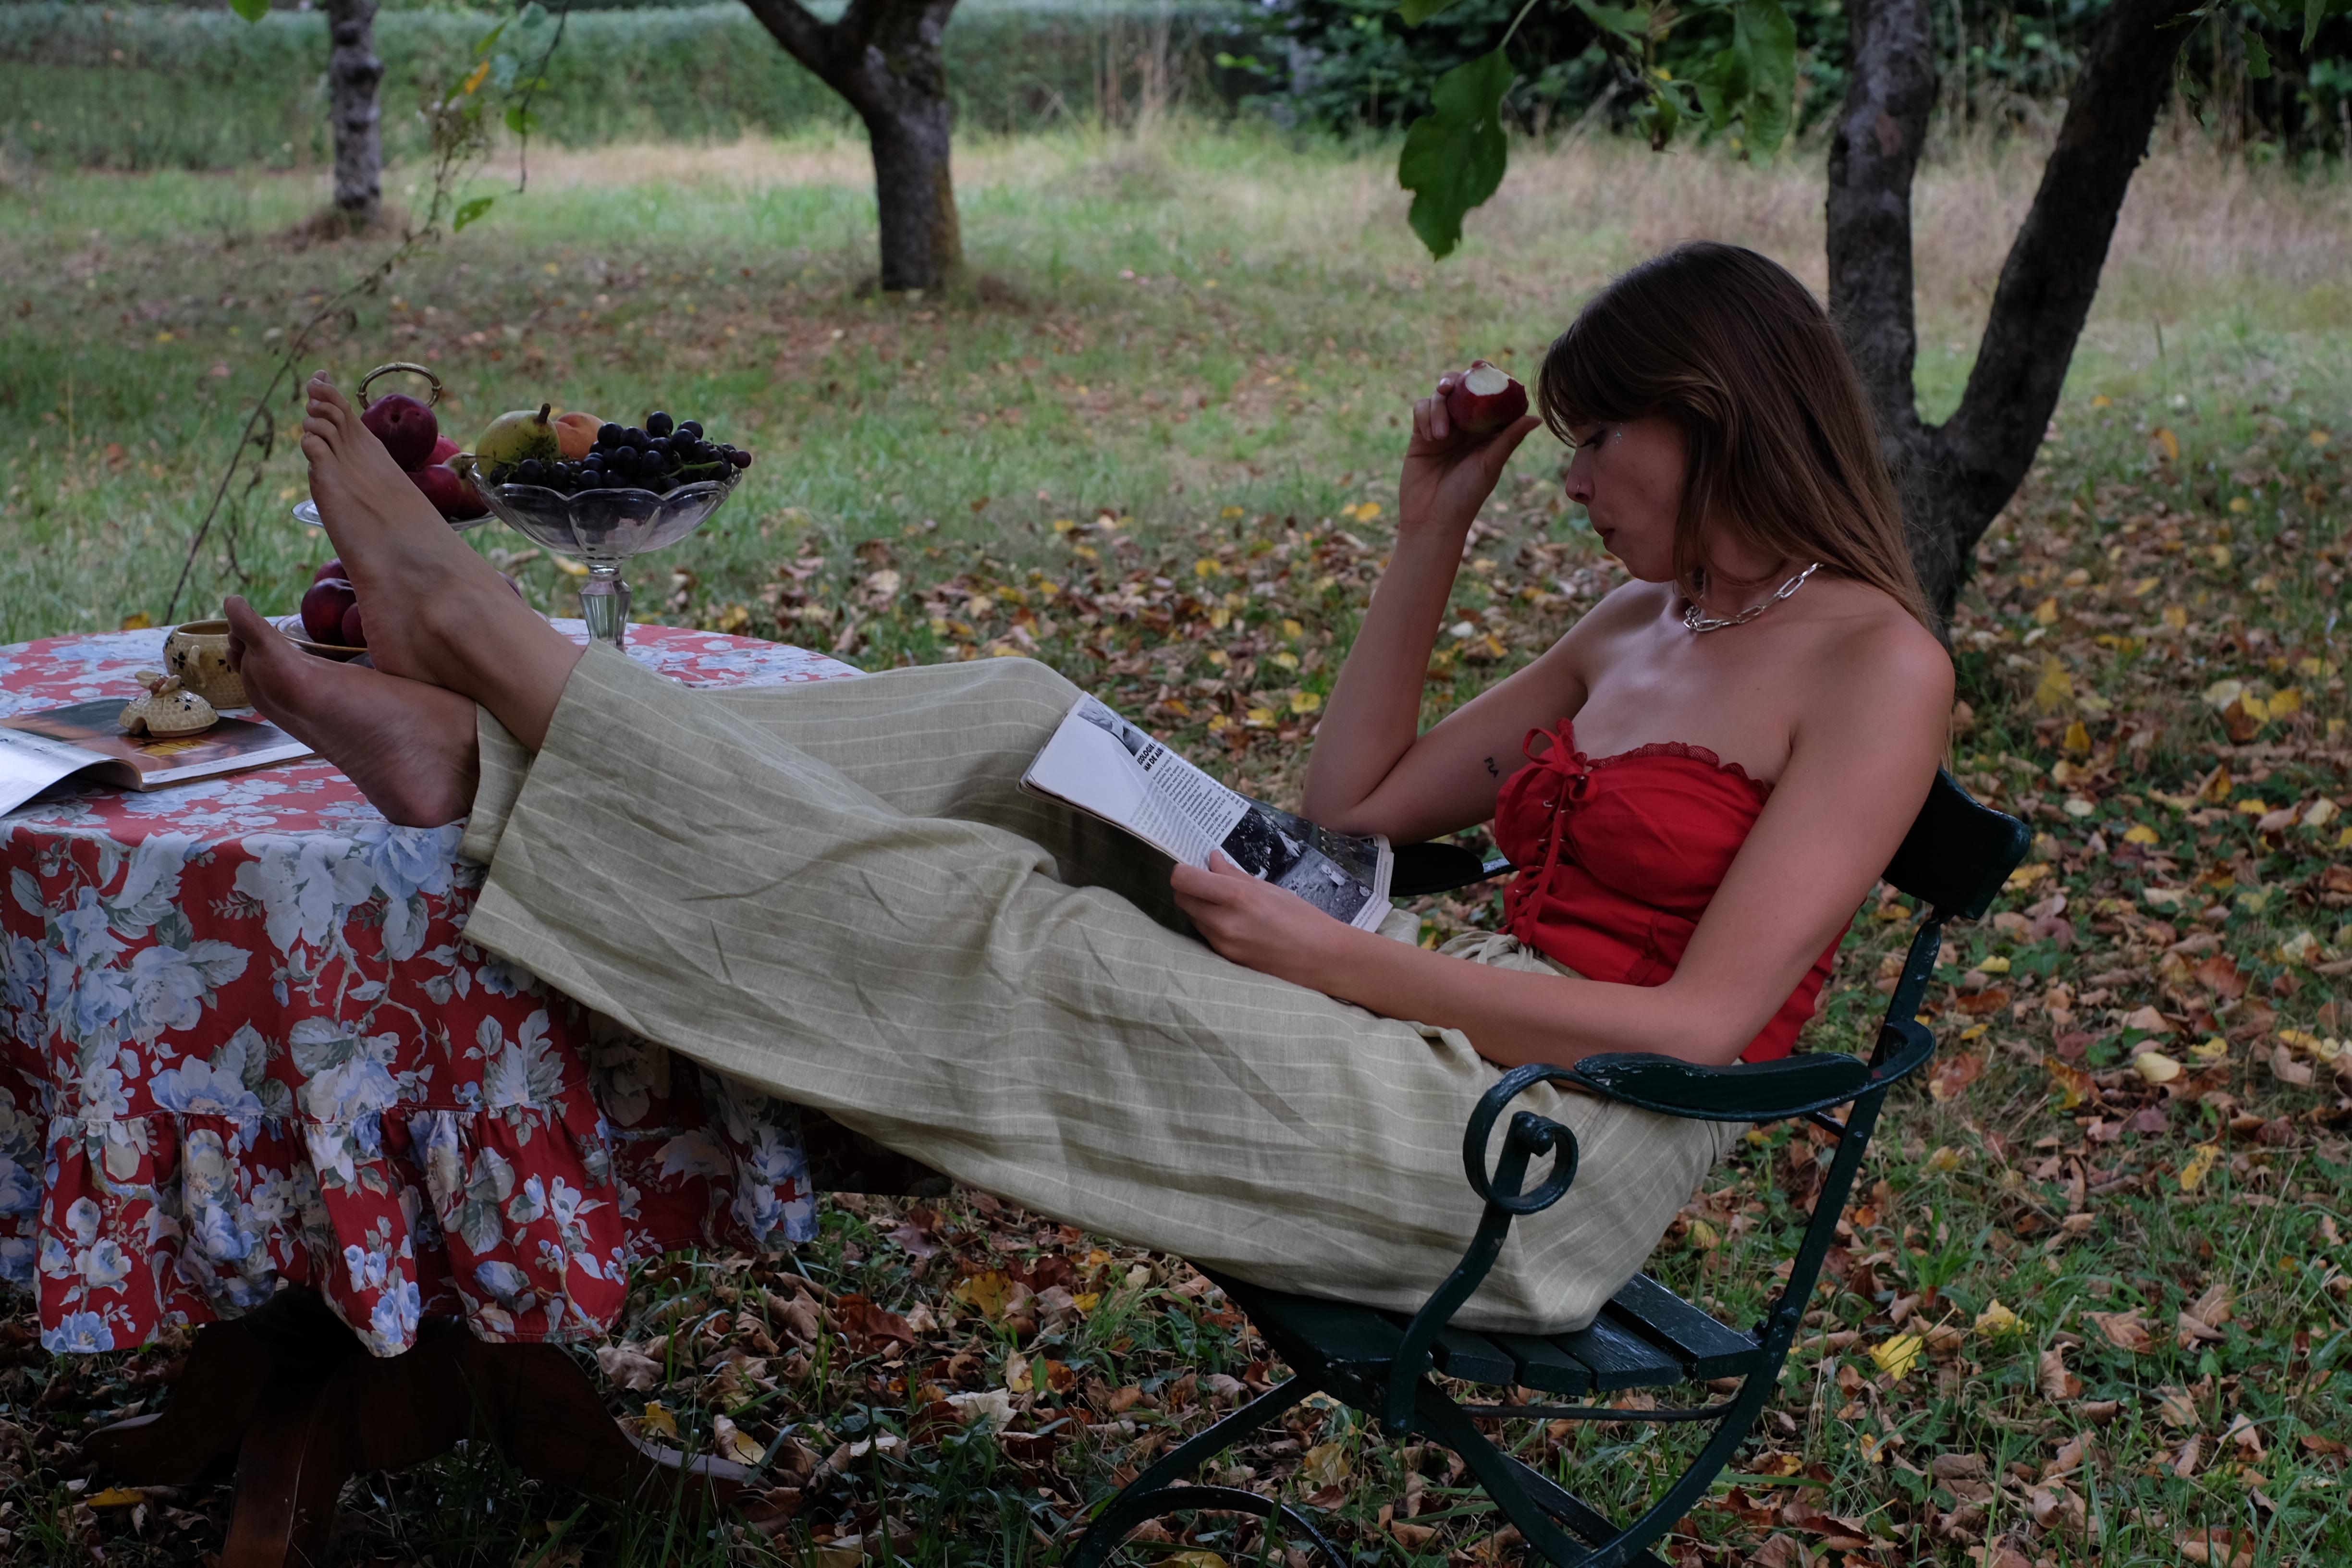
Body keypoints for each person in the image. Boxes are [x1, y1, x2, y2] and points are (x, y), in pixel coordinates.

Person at [222, 242, 1951, 1334]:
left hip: (1536, 1163)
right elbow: (1349, 801)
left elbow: (1712, 1030)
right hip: (1444, 1025)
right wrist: (1435, 522)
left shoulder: (1875, 667)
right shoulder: (1649, 617)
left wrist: (1325, 958)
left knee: (1021, 936)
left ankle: (486, 683)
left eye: (1596, 441)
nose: (1575, 476)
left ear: (1710, 414)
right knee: (1012, 716)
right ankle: (481, 733)